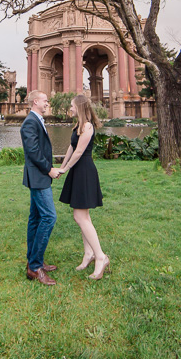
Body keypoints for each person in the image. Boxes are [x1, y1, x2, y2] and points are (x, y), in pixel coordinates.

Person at [58, 94, 110, 280]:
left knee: (81, 216)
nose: (70, 108)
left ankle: (100, 257)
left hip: (85, 171)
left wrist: (66, 169)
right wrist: (62, 168)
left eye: (71, 106)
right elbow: (71, 149)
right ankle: (88, 254)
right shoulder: (77, 126)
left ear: (79, 107)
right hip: (77, 171)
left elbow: (80, 151)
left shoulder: (87, 126)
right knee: (82, 216)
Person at [21, 90, 63, 286]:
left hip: (38, 176)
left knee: (36, 218)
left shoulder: (36, 120)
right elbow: (33, 151)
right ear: (36, 101)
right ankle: (35, 267)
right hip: (39, 177)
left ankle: (34, 260)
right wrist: (49, 170)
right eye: (45, 101)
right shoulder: (30, 122)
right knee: (49, 217)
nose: (48, 103)